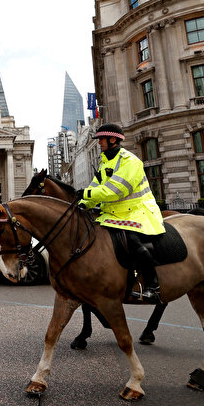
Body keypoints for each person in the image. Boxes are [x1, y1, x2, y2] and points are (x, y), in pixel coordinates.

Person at [78, 123, 165, 303]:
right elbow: (95, 188)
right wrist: (81, 204)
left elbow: (115, 191)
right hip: (114, 214)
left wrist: (85, 193)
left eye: (102, 139)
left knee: (132, 241)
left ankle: (153, 286)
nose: (99, 143)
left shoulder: (130, 161)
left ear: (112, 140)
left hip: (138, 212)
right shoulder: (105, 163)